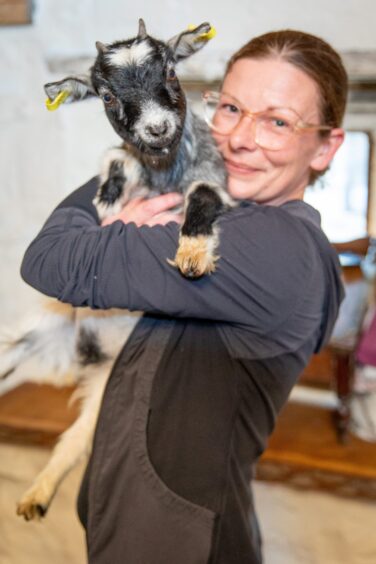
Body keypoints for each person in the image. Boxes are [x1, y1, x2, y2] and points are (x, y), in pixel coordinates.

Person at [21, 29, 347, 564]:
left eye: (278, 122)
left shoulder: (277, 249)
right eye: (232, 107)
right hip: (131, 533)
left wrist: (132, 164)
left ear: (326, 146)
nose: (240, 138)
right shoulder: (221, 214)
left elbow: (51, 260)